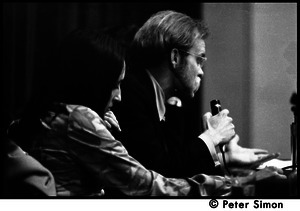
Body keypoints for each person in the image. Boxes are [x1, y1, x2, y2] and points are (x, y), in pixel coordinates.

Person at [5, 28, 233, 197]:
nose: (119, 96)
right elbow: (146, 184)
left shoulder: (45, 114)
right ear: (92, 83)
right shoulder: (78, 118)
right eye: (115, 84)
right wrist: (228, 185)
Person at [113, 10, 270, 178]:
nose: (201, 72)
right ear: (175, 57)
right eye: (199, 60)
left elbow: (177, 163)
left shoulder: (162, 99)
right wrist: (212, 136)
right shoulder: (130, 95)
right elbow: (161, 175)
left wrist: (226, 160)